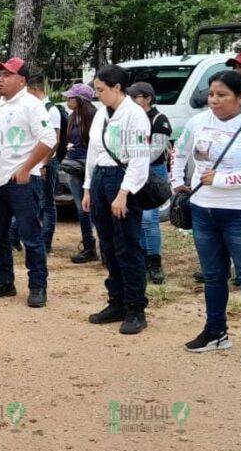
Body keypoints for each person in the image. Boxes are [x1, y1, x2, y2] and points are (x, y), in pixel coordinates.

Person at [172, 71, 241, 364]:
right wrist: (176, 182)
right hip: (204, 211)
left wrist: (224, 179)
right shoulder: (197, 122)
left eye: (222, 95)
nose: (214, 101)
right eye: (211, 95)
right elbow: (179, 153)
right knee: (213, 275)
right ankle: (215, 331)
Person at [0, 57, 55, 308]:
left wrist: (27, 167)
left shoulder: (31, 105)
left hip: (21, 183)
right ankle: (4, 281)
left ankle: (37, 285)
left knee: (30, 236)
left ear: (22, 80)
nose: (0, 78)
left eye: (6, 75)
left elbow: (48, 139)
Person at [83, 65, 151, 334]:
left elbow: (139, 157)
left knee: (127, 246)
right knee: (108, 246)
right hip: (101, 178)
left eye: (101, 90)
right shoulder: (101, 114)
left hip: (122, 180)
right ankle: (117, 301)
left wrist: (124, 192)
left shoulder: (134, 115)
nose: (98, 95)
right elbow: (93, 151)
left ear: (117, 88)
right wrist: (88, 187)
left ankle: (136, 308)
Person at [127, 82, 172, 284]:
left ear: (147, 98)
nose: (132, 100)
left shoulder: (159, 119)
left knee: (149, 219)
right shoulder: (131, 117)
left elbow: (156, 149)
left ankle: (154, 261)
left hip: (152, 172)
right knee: (136, 219)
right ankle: (141, 258)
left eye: (135, 96)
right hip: (134, 170)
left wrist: (135, 159)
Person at [64, 83, 99, 263]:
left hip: (91, 165)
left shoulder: (95, 116)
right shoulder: (72, 117)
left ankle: (106, 247)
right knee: (81, 209)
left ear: (80, 100)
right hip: (74, 166)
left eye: (71, 97)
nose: (67, 99)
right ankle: (88, 245)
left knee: (98, 207)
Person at [27, 75, 62, 253]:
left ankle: (46, 241)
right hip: (36, 161)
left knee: (47, 202)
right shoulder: (35, 109)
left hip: (46, 161)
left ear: (34, 90)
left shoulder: (51, 110)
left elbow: (54, 140)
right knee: (35, 201)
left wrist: (43, 163)